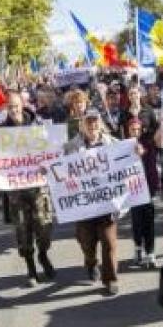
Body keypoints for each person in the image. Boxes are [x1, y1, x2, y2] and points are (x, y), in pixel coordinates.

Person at [0, 91, 56, 286]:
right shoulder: (0, 131)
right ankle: (31, 268)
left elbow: (52, 149)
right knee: (23, 231)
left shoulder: (38, 125)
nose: (13, 110)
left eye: (16, 106)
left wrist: (47, 162)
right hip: (16, 190)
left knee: (44, 226)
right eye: (9, 107)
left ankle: (43, 253)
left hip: (39, 187)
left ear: (22, 104)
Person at [64, 109, 121, 295]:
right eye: (88, 122)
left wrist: (137, 150)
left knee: (109, 242)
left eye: (95, 121)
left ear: (100, 123)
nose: (92, 125)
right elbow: (58, 165)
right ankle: (91, 262)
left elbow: (128, 155)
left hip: (106, 204)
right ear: (82, 124)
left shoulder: (112, 143)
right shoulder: (71, 146)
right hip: (84, 205)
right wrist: (46, 169)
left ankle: (110, 279)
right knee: (86, 242)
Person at [125, 116, 160, 269]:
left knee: (149, 221)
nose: (136, 132)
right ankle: (138, 248)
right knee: (137, 221)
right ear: (128, 130)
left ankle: (150, 252)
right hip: (133, 190)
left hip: (149, 188)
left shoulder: (149, 142)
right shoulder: (123, 145)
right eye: (133, 129)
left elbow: (159, 132)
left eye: (138, 129)